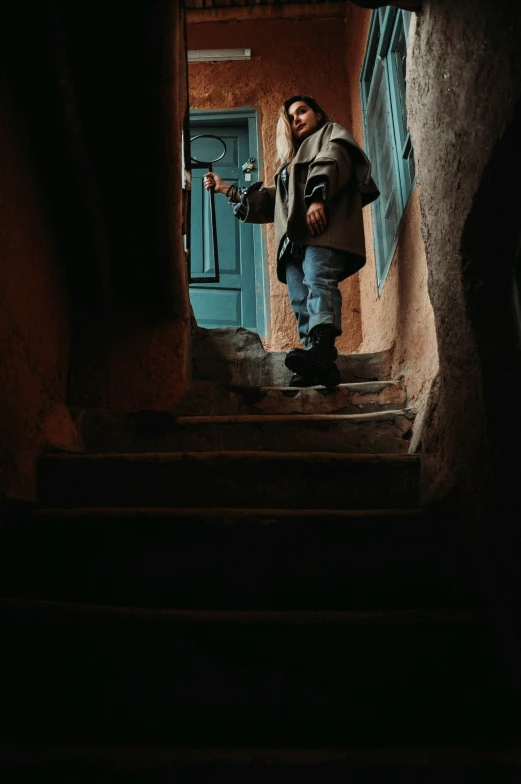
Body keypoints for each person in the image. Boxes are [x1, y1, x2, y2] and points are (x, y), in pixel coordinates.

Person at [204, 95, 379, 387]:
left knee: (318, 279)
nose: (297, 118)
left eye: (303, 110)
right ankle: (322, 366)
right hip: (293, 241)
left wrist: (317, 200)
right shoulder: (292, 162)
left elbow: (332, 161)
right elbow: (275, 200)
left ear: (319, 115)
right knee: (299, 298)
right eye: (291, 116)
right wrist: (227, 190)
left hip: (321, 228)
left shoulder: (330, 135)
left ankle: (322, 348)